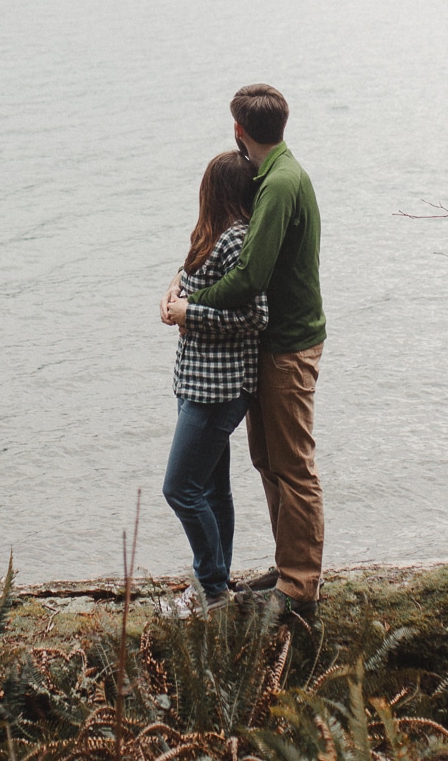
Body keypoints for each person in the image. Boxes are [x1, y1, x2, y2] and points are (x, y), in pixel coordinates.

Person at [165, 83, 324, 626]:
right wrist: (184, 286)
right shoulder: (273, 176)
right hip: (273, 342)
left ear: (239, 129)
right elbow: (221, 254)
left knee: (293, 466)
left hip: (288, 342)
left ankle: (300, 585)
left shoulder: (279, 183)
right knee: (268, 462)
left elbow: (249, 276)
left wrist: (189, 306)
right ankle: (286, 569)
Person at [157, 150, 268, 618]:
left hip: (218, 391)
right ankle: (217, 586)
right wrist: (171, 293)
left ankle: (210, 589)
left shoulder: (238, 241)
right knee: (212, 490)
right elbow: (190, 281)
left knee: (180, 488)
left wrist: (189, 313)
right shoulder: (211, 236)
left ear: (215, 190)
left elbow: (254, 316)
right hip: (196, 384)